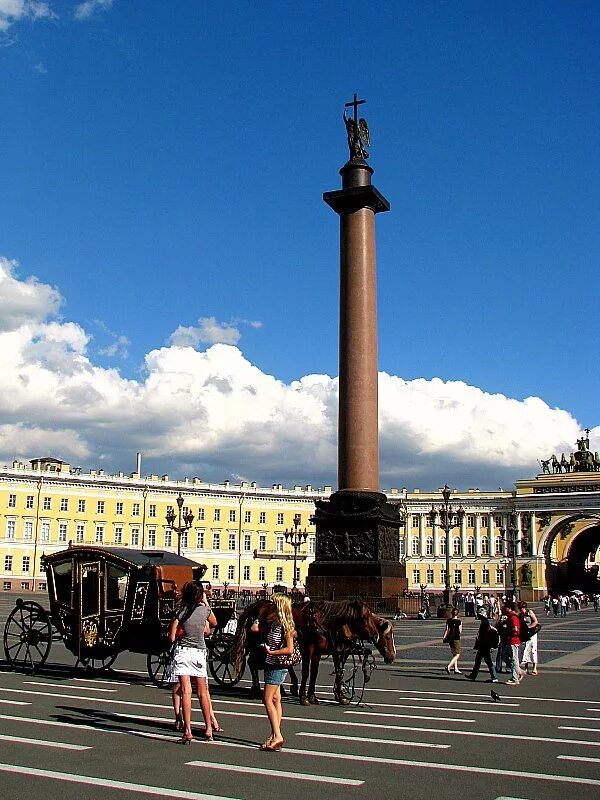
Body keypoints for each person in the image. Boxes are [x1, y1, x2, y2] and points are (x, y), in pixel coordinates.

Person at [169, 581, 221, 744]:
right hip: (199, 652)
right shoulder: (204, 610)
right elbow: (214, 623)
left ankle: (188, 731)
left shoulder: (181, 611)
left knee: (186, 691)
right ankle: (208, 729)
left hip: (184, 652)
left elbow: (171, 637)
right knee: (202, 692)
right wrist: (205, 601)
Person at [257, 592, 296, 751]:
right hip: (271, 663)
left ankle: (278, 735)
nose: (271, 606)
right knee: (276, 699)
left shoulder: (286, 626)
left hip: (277, 665)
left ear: (280, 606)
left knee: (267, 699)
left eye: (274, 604)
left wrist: (271, 652)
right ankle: (274, 734)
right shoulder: (275, 623)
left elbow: (289, 649)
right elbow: (257, 628)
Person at [466, 609, 499, 683]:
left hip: (484, 645)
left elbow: (483, 635)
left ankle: (493, 677)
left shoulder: (484, 623)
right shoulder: (485, 622)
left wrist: (479, 643)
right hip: (485, 645)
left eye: (478, 614)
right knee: (482, 660)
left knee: (485, 661)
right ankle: (474, 675)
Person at [504, 601, 523, 685]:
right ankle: (519, 671)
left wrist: (508, 631)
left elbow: (516, 629)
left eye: (505, 607)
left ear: (509, 608)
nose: (503, 608)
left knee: (514, 659)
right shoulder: (510, 616)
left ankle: (515, 678)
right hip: (510, 640)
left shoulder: (513, 617)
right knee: (505, 656)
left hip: (513, 640)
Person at [518, 601, 539, 675]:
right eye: (520, 608)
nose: (521, 610)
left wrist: (529, 627)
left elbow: (536, 622)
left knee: (533, 650)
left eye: (522, 608)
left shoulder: (529, 612)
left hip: (532, 633)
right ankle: (526, 668)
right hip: (525, 634)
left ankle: (534, 668)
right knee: (525, 649)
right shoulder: (520, 615)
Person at [443, 608, 462, 674]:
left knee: (454, 653)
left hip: (450, 638)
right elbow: (460, 631)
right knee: (457, 654)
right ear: (458, 614)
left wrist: (444, 637)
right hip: (456, 638)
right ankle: (449, 666)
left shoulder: (448, 621)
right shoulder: (459, 621)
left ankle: (456, 669)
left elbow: (446, 630)